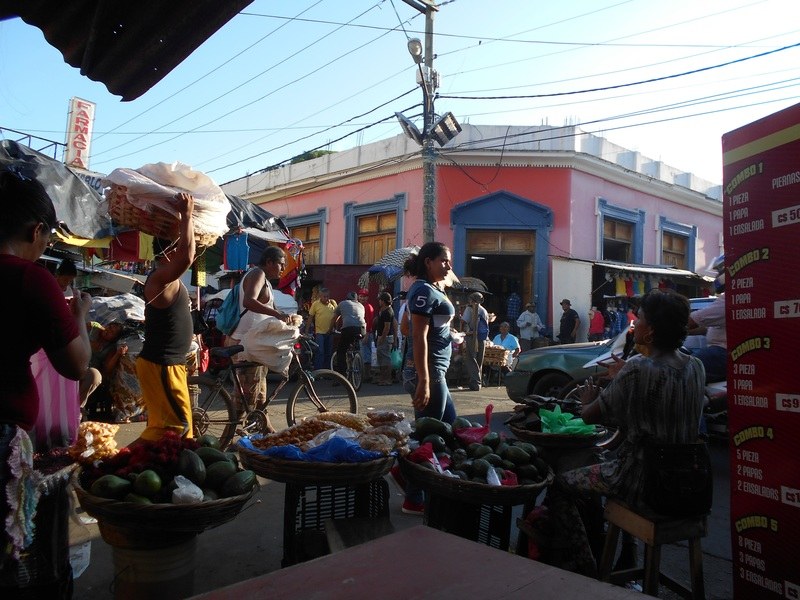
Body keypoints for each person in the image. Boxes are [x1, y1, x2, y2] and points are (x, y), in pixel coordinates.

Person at [547, 289, 706, 576]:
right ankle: (628, 554)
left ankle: (585, 567)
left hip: (643, 483)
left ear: (651, 330)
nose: (634, 324)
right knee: (612, 473)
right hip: (690, 486)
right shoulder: (696, 366)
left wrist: (587, 399)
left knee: (560, 485)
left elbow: (589, 416)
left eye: (639, 319)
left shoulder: (637, 368)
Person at [0, 171, 91, 584]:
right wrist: (80, 317)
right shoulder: (29, 278)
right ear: (36, 230)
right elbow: (76, 365)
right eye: (48, 240)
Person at [390, 242, 458, 515]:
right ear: (428, 262)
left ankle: (407, 475)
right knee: (429, 437)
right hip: (427, 372)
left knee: (449, 428)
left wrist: (446, 334)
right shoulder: (422, 290)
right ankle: (413, 496)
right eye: (444, 260)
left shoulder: (431, 289)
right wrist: (424, 379)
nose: (448, 265)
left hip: (435, 370)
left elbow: (407, 327)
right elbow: (417, 335)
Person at [135, 193, 196, 442]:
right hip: (162, 365)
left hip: (167, 365)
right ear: (168, 252)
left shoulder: (168, 280)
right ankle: (109, 461)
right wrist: (187, 215)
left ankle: (116, 461)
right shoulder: (160, 280)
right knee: (176, 431)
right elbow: (187, 257)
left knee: (165, 431)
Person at [225, 246, 289, 409]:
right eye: (281, 264)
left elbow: (271, 310)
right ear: (269, 262)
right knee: (246, 398)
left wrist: (284, 318)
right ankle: (233, 425)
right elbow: (249, 301)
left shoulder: (266, 281)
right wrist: (276, 313)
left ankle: (261, 423)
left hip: (255, 343)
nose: (283, 268)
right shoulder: (257, 274)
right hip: (244, 343)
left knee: (259, 395)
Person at [687, 255, 726, 383]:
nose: (717, 276)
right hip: (719, 352)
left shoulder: (729, 299)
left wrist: (665, 324)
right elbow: (706, 328)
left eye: (719, 272)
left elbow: (693, 320)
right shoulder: (732, 296)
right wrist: (686, 332)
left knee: (684, 371)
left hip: (721, 353)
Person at [461, 291, 490, 391]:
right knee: (479, 360)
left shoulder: (469, 309)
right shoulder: (484, 311)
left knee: (471, 359)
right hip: (482, 338)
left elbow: (464, 321)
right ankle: (477, 382)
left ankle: (476, 382)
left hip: (472, 337)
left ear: (472, 300)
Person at [333, 291, 366, 376]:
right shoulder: (361, 306)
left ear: (347, 298)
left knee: (341, 351)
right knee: (356, 344)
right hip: (361, 329)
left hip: (348, 328)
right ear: (356, 299)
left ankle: (342, 374)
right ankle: (356, 356)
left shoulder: (342, 303)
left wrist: (332, 328)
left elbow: (335, 318)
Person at [305, 287, 337, 370]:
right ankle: (318, 371)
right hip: (320, 332)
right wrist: (306, 331)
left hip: (330, 332)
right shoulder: (316, 304)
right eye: (324, 296)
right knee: (320, 352)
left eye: (327, 296)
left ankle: (327, 371)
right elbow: (310, 317)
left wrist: (335, 328)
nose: (326, 298)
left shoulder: (332, 304)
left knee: (329, 353)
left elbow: (336, 317)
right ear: (320, 296)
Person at [374, 292, 395, 385]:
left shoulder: (388, 312)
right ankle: (382, 378)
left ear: (383, 301)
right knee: (381, 359)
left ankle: (387, 379)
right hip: (382, 336)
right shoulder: (383, 311)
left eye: (380, 300)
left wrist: (382, 338)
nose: (379, 301)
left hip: (385, 338)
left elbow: (387, 327)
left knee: (386, 359)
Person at [357, 288, 375, 382]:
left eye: (364, 296)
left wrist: (367, 335)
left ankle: (366, 375)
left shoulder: (368, 307)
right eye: (361, 296)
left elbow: (369, 323)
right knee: (364, 354)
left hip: (366, 333)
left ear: (367, 298)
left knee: (365, 354)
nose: (362, 298)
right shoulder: (359, 306)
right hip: (361, 333)